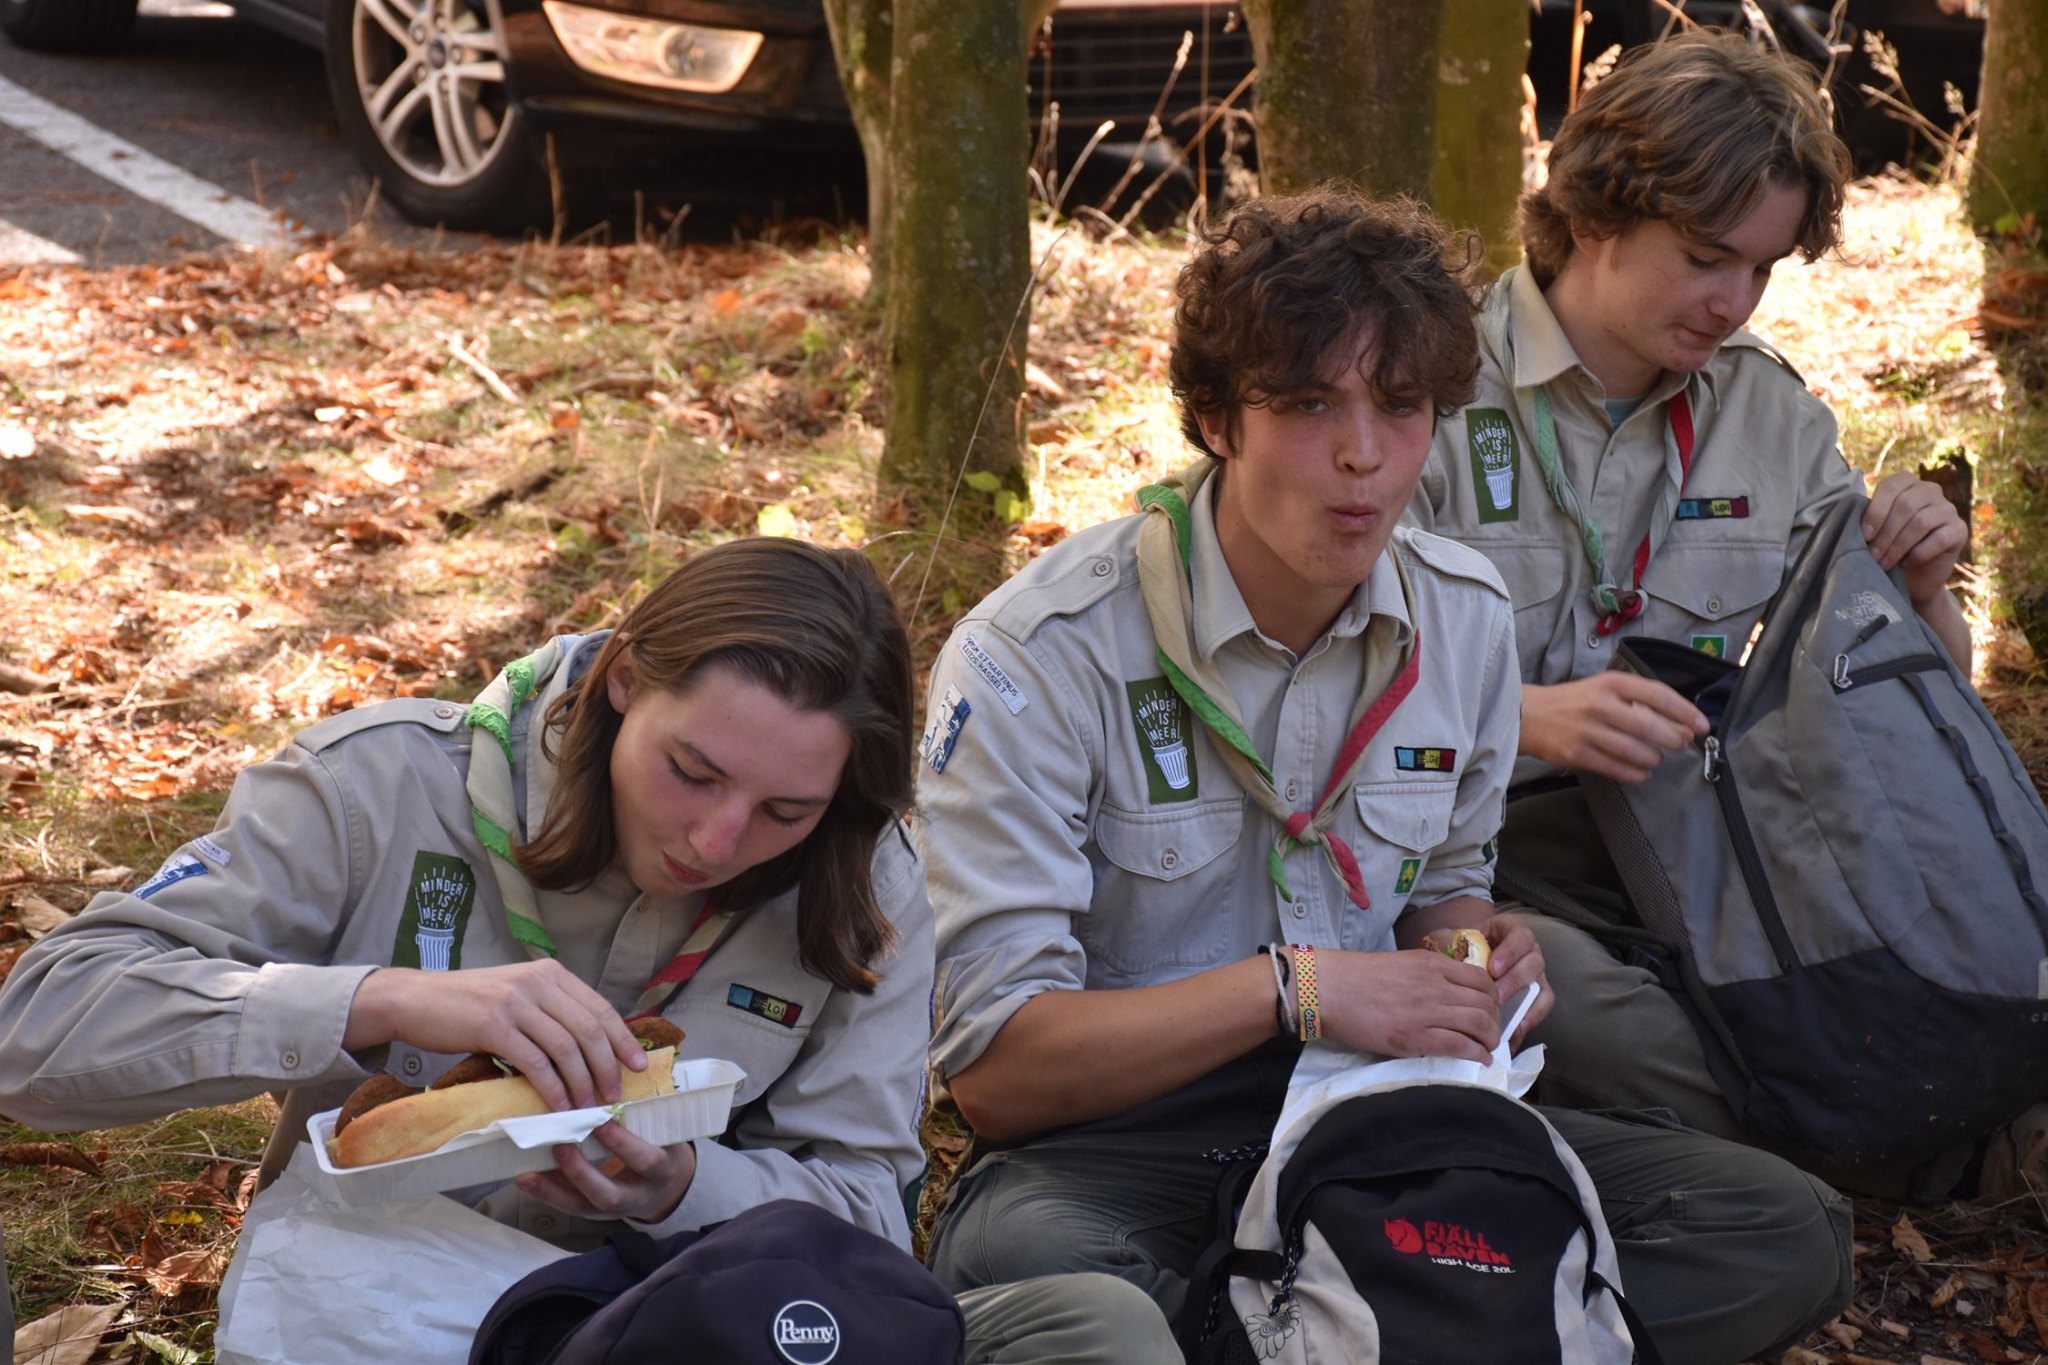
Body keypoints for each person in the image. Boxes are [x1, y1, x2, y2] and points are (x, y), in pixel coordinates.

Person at [915, 187, 1851, 1365]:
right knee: (1051, 1285)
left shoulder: (1458, 617)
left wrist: (1475, 959)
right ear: (1215, 418)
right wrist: (1298, 988)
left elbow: (1444, 891)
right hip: (1114, 1150)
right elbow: (998, 1075)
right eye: (1308, 405)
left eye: (1401, 407)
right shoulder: (1033, 658)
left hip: (1376, 1126)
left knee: (1778, 1228)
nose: (1363, 455)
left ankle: (1348, 1324)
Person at [0, 537, 1178, 1364]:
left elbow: (866, 1206)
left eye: (784, 812)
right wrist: (384, 999)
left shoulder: (863, 884)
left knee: (1093, 1327)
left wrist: (679, 1188)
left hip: (675, 1322)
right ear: (622, 682)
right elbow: (39, 1034)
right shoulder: (378, 787)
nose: (718, 841)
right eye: (692, 773)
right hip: (367, 1306)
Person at [1400, 29, 2016, 1198]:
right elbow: (1310, 689)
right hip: (1464, 850)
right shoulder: (1419, 390)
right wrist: (1523, 717)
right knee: (1577, 1017)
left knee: (1950, 951)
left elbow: (1912, 715)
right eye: (1701, 258)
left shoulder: (1769, 416)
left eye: (1762, 269)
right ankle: (1907, 1156)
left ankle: (1902, 1131)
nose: (1731, 301)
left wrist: (1924, 588)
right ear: (1590, 216)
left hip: (1712, 834)